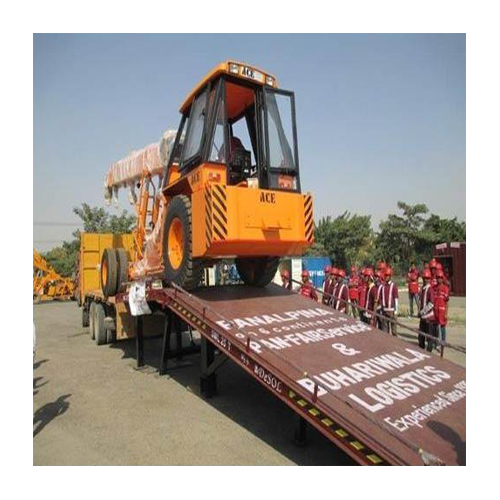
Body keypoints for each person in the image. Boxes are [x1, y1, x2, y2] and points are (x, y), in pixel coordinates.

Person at [418, 268, 437, 351]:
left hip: (428, 318)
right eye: (424, 278)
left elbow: (431, 303)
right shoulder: (423, 288)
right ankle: (421, 351)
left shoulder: (430, 289)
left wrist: (422, 312)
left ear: (430, 279)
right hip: (423, 317)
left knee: (429, 338)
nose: (426, 280)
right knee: (421, 337)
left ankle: (429, 353)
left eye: (427, 278)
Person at [434, 269, 450, 346]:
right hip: (436, 311)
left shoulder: (445, 289)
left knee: (442, 327)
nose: (439, 279)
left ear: (442, 278)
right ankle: (437, 341)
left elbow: (447, 302)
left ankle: (443, 342)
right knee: (436, 327)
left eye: (440, 278)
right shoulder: (434, 288)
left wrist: (446, 313)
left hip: (442, 311)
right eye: (437, 278)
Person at [381, 266, 399, 336]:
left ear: (390, 276)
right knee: (385, 331)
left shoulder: (393, 286)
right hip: (385, 311)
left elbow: (396, 299)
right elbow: (382, 299)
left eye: (387, 276)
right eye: (385, 275)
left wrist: (396, 312)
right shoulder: (383, 286)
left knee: (394, 331)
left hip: (392, 311)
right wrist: (382, 311)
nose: (386, 277)